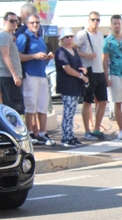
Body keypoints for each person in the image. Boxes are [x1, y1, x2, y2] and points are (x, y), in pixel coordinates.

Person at [16, 13, 55, 146]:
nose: (35, 25)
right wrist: (34, 56)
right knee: (30, 104)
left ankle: (43, 133)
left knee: (42, 105)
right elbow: (18, 56)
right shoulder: (24, 37)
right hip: (30, 74)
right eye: (32, 23)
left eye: (37, 23)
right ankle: (31, 133)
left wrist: (48, 57)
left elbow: (41, 56)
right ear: (27, 24)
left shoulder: (41, 38)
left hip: (41, 74)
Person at [76, 11, 108, 141]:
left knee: (103, 101)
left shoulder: (100, 34)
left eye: (98, 20)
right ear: (88, 20)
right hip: (89, 70)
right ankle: (87, 130)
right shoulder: (82, 34)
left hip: (99, 70)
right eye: (93, 19)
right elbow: (73, 49)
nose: (95, 22)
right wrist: (87, 55)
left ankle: (96, 128)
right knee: (88, 101)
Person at [55, 27, 89, 148]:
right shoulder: (61, 52)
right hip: (67, 86)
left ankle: (70, 135)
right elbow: (67, 68)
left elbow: (79, 64)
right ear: (62, 39)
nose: (69, 39)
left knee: (72, 112)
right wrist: (81, 76)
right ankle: (65, 137)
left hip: (75, 86)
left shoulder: (73, 51)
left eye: (71, 37)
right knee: (68, 112)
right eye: (66, 37)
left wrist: (83, 69)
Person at [0, 12, 23, 113]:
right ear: (5, 22)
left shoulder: (8, 36)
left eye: (16, 21)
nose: (14, 23)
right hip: (8, 76)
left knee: (14, 108)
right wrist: (15, 75)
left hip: (10, 76)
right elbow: (5, 55)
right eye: (11, 21)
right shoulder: (4, 35)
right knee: (12, 108)